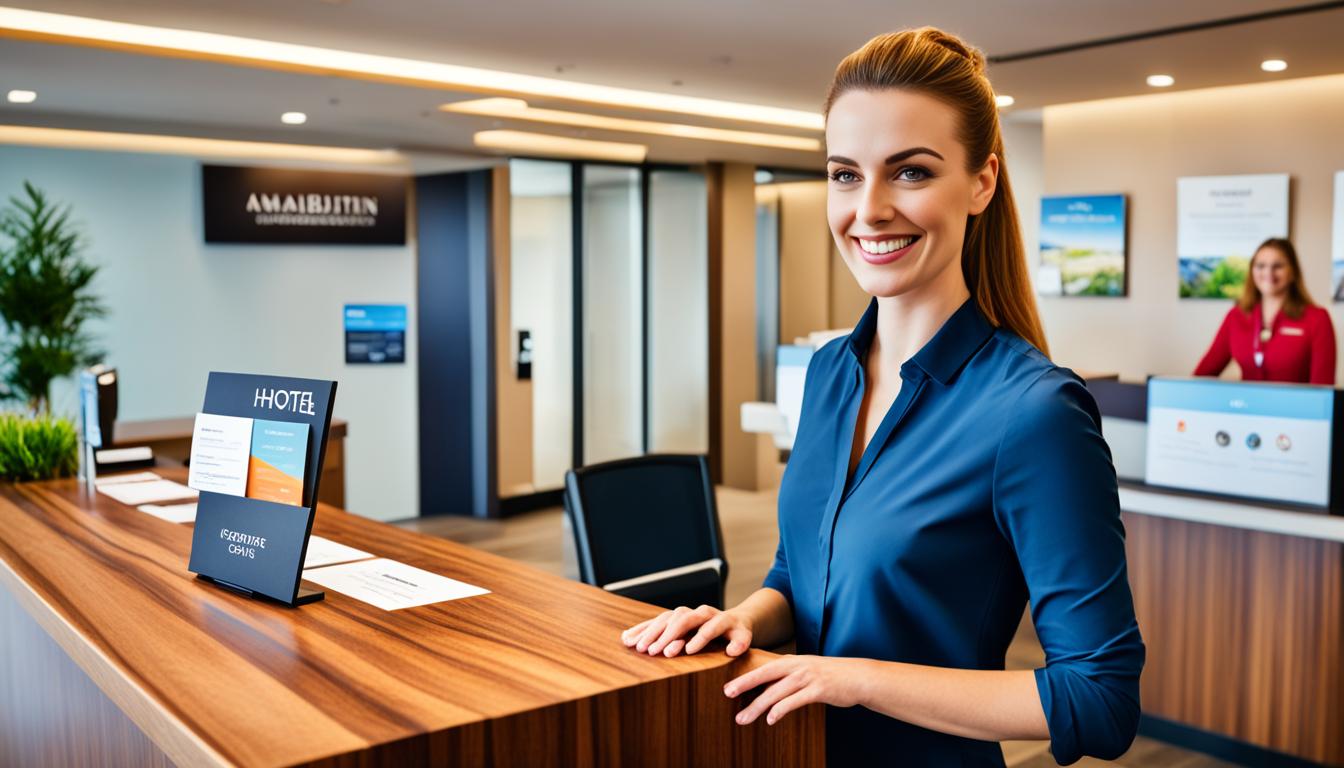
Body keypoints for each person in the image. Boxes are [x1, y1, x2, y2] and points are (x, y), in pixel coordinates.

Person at [620, 27, 1144, 766]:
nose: (868, 210)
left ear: (982, 181)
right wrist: (742, 619)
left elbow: (1101, 698)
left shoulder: (1033, 414)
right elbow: (800, 570)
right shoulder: (831, 371)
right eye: (844, 174)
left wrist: (855, 679)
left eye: (909, 173)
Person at [1194, 238, 1336, 385]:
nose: (1268, 272)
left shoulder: (1317, 319)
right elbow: (1202, 375)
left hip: (1296, 408)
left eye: (1278, 266)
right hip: (1246, 406)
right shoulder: (1235, 316)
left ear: (1293, 271)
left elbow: (1323, 390)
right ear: (1252, 270)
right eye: (1261, 266)